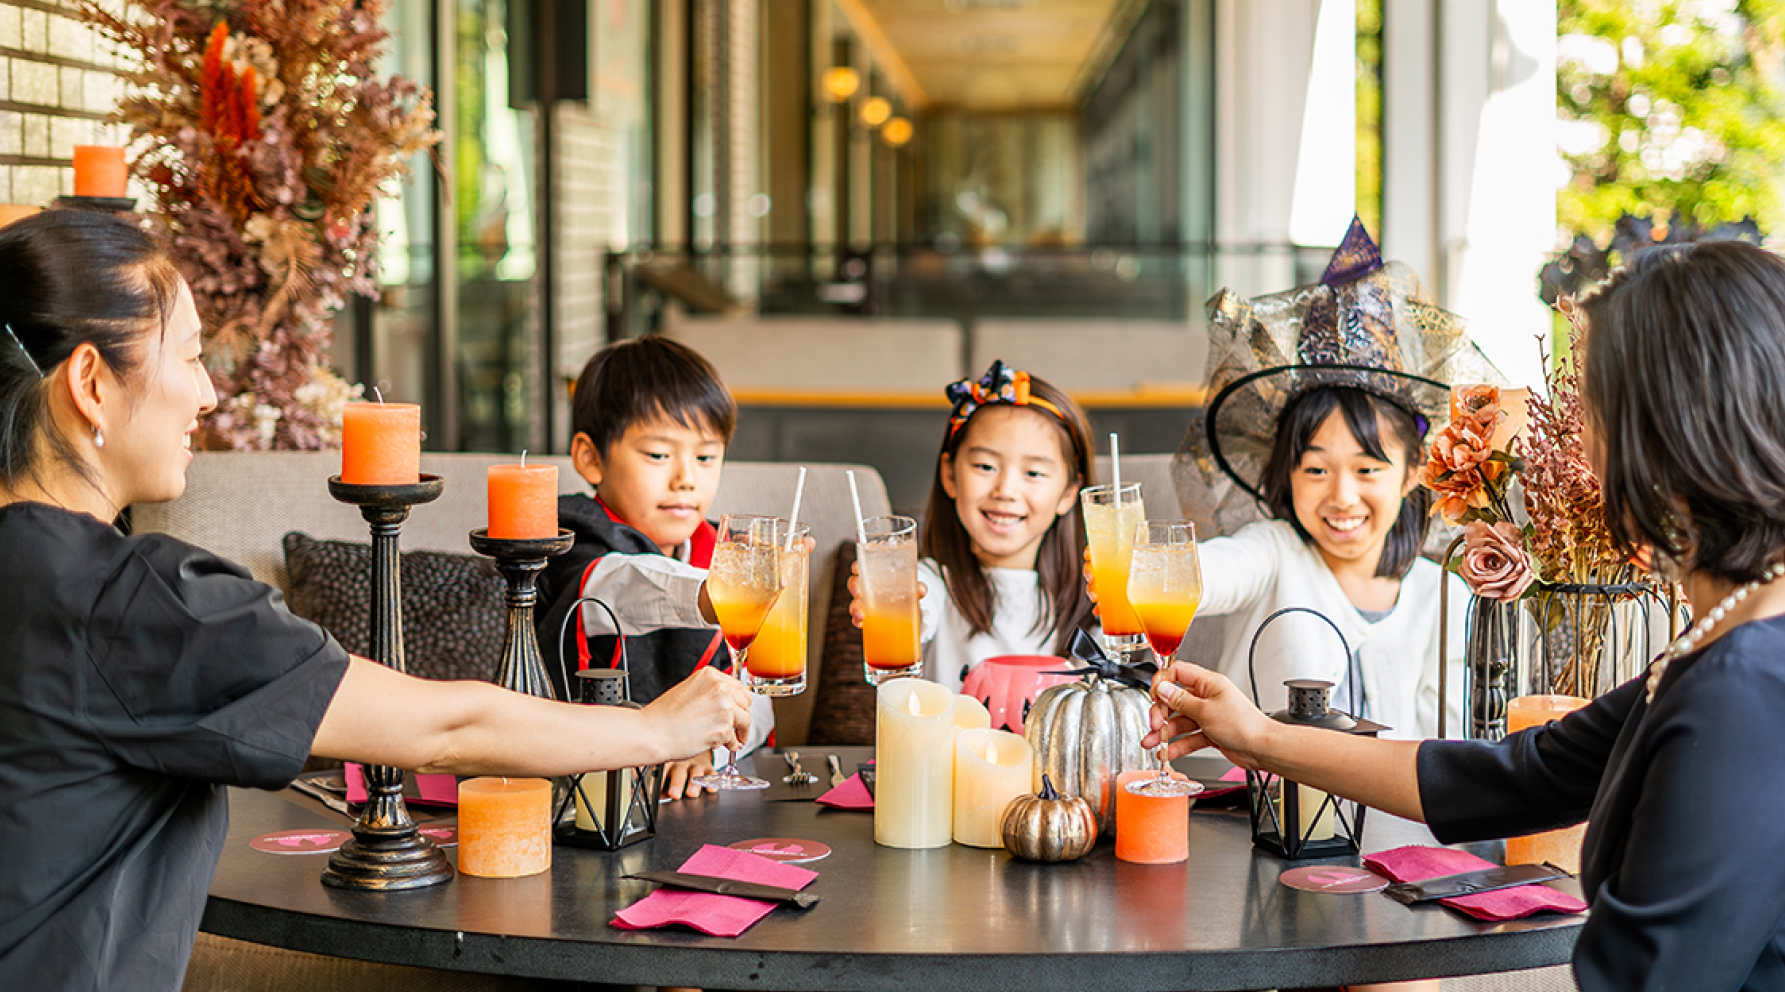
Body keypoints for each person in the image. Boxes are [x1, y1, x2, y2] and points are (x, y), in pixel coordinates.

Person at [0, 210, 752, 992]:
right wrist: (656, 729)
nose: (210, 394)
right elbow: (445, 731)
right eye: (191, 358)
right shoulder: (129, 603)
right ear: (91, 384)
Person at [1146, 240, 1785, 990]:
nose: (1583, 448)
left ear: (1672, 440)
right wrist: (1259, 737)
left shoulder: (1754, 697)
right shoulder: (1772, 624)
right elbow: (1517, 776)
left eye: (1597, 413)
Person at [1162, 219, 1480, 740]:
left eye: (1367, 468)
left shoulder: (1443, 598)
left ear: (1413, 472)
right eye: (1315, 469)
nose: (1342, 496)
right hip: (1249, 795)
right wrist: (1147, 569)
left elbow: (1445, 746)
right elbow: (1210, 572)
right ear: (1286, 473)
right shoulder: (1274, 553)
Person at [539, 334, 776, 797]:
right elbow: (617, 586)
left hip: (688, 799)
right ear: (591, 458)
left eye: (705, 457)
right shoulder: (568, 537)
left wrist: (711, 750)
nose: (686, 478)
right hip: (578, 789)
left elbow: (758, 698)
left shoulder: (719, 550)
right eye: (659, 455)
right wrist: (718, 592)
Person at [849, 360, 1096, 687]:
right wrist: (895, 604)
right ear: (949, 475)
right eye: (984, 466)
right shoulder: (934, 583)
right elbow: (916, 602)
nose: (1005, 490)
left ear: (1068, 493)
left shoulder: (1091, 598)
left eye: (1034, 473)